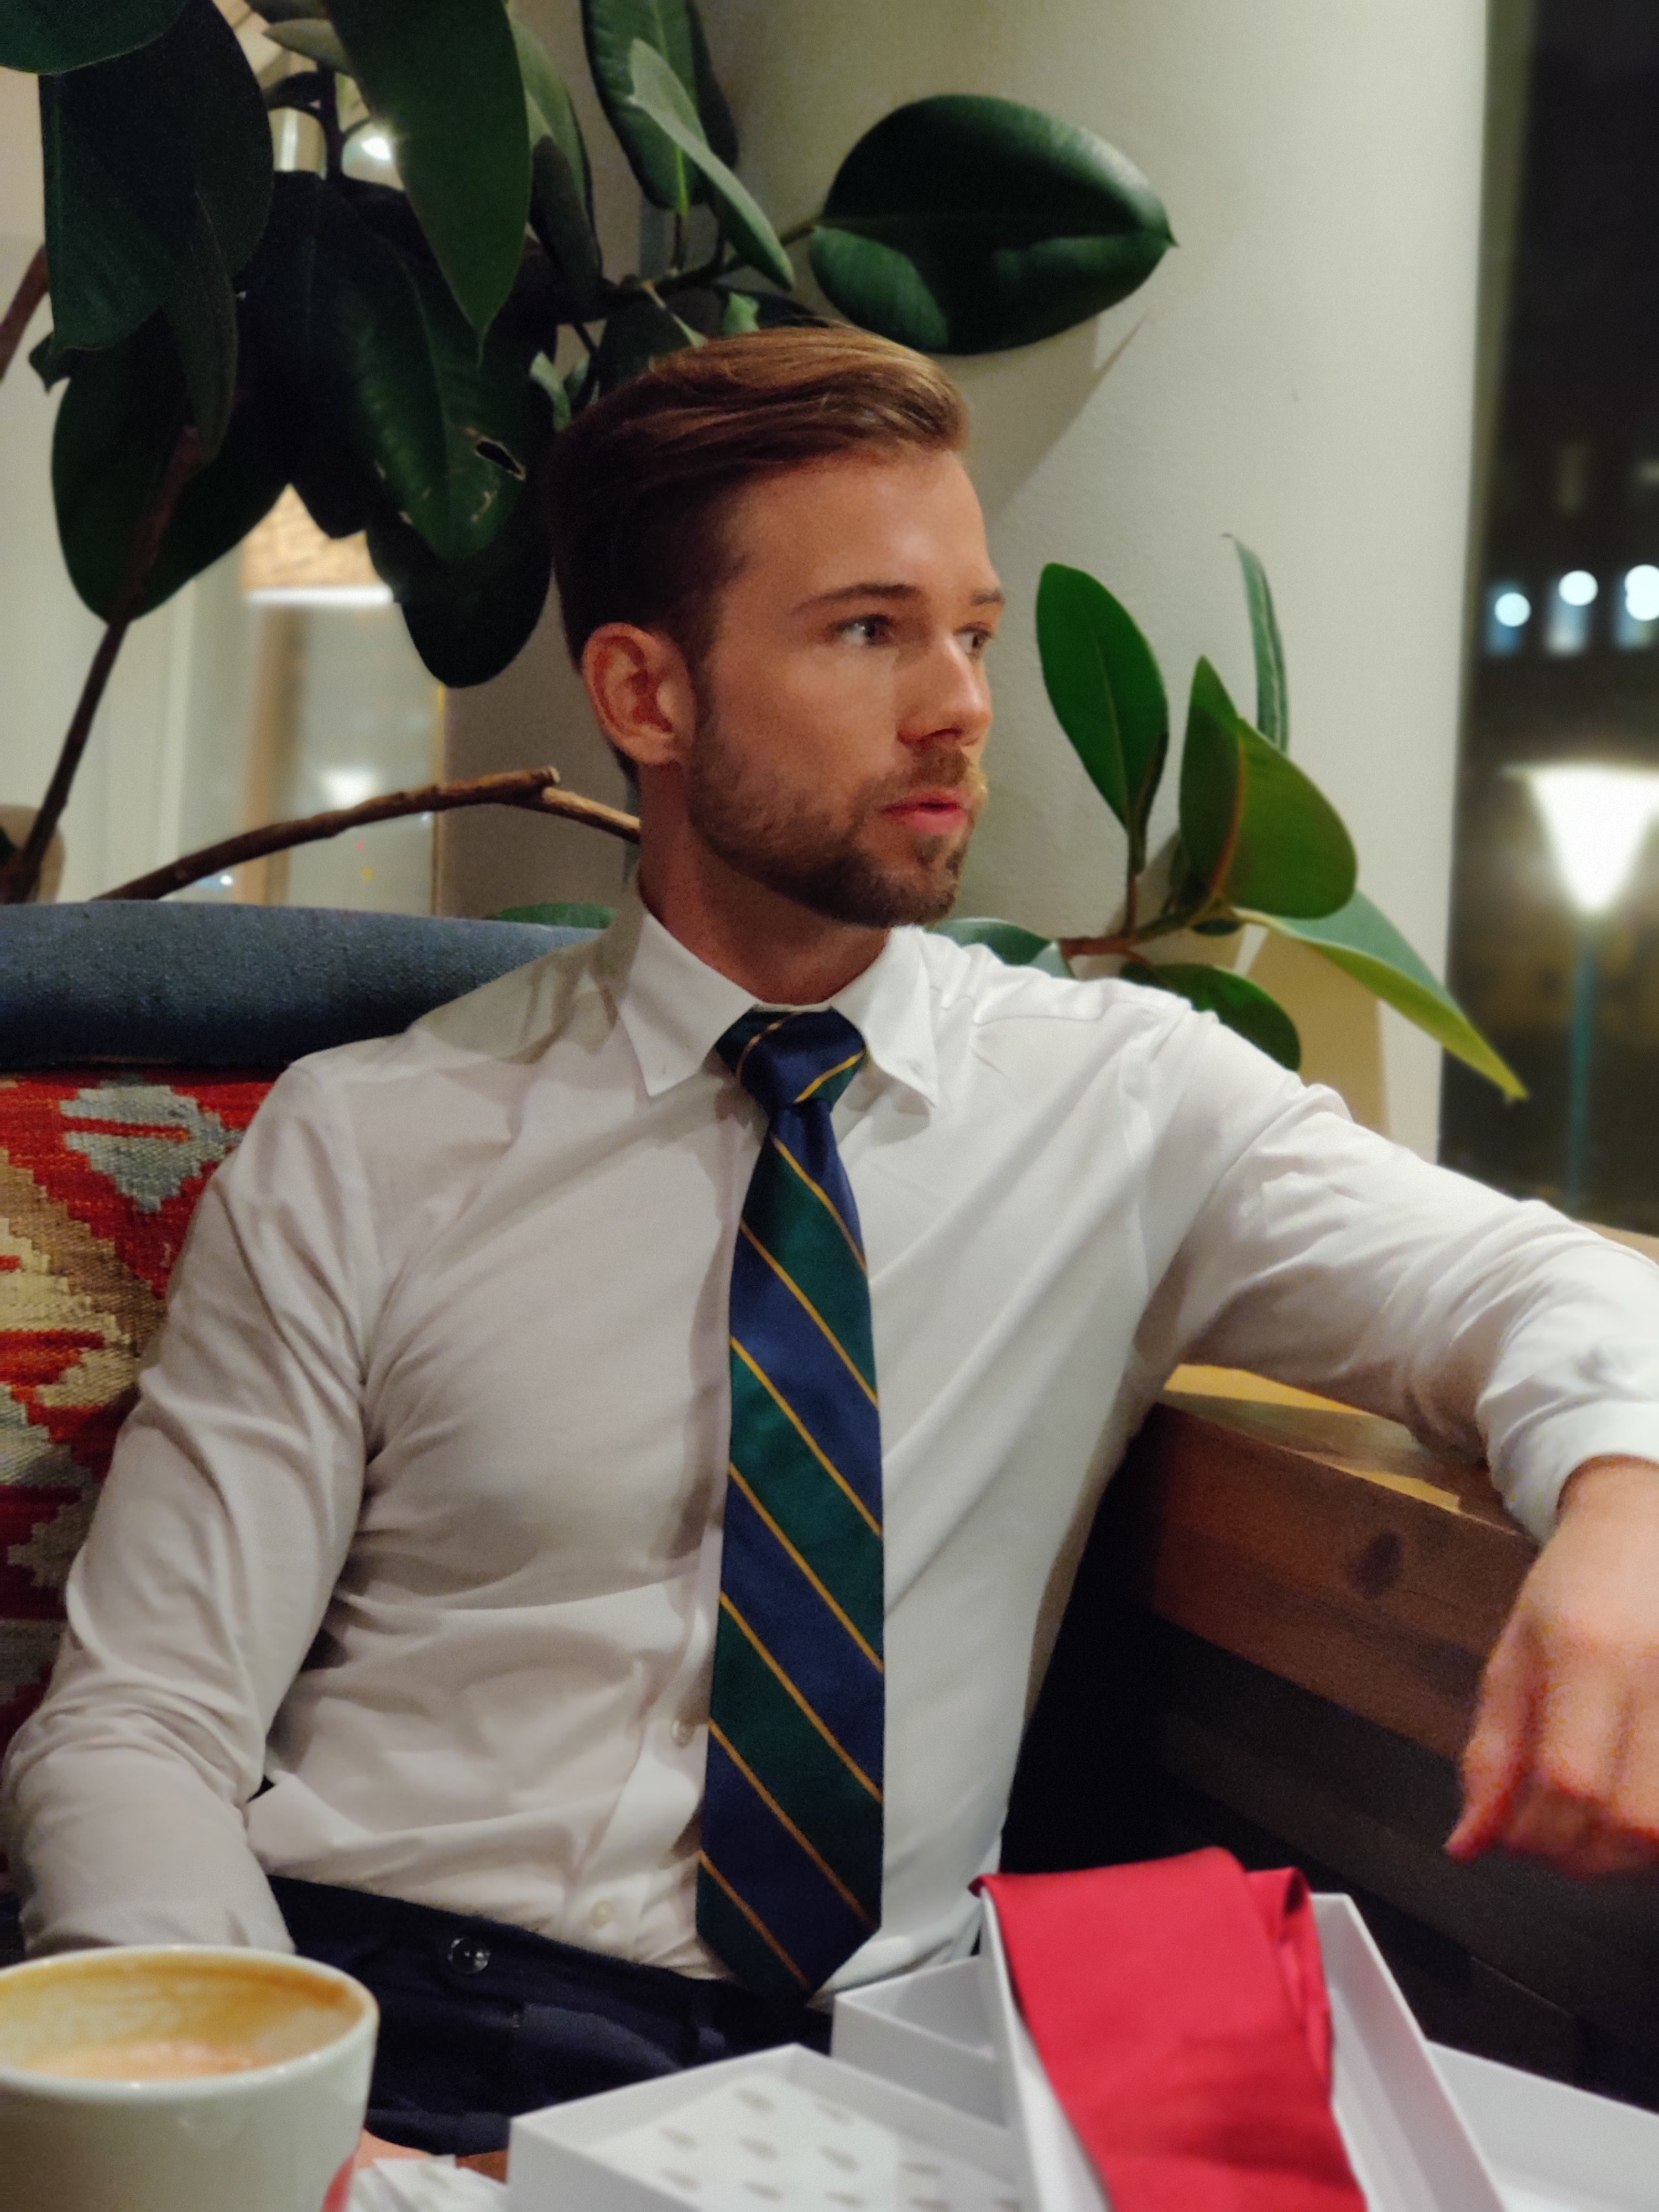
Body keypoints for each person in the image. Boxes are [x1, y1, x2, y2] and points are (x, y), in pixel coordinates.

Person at [7, 328, 1659, 2160]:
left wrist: (1626, 1502)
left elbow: (1535, 1279)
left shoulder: (1123, 1102)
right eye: (869, 631)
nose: (956, 703)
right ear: (647, 693)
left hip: (842, 2097)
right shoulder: (372, 1136)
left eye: (975, 631)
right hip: (393, 2025)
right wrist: (259, 2125)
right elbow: (137, 1725)